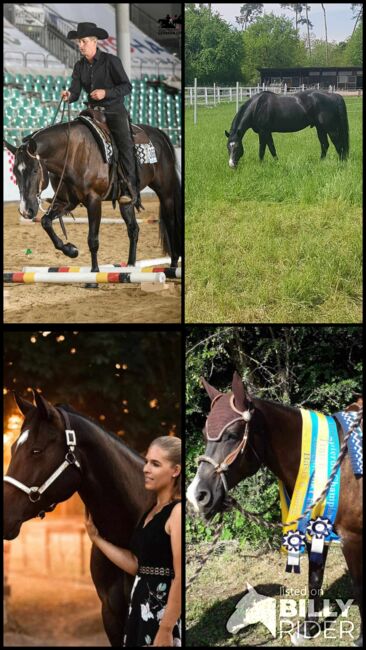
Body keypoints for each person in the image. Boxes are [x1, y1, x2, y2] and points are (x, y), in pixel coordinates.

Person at [85, 436, 182, 647]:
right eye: (146, 461)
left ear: (175, 470)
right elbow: (138, 566)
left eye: (155, 464)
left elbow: (180, 576)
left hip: (162, 614)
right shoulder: (150, 513)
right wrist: (96, 538)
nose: (146, 469)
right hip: (139, 610)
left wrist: (166, 628)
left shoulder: (177, 512)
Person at [61, 22, 139, 205]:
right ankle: (78, 188)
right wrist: (69, 95)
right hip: (92, 112)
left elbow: (127, 86)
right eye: (79, 42)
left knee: (125, 145)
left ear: (95, 42)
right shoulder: (79, 66)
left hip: (114, 111)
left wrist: (106, 93)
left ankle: (129, 188)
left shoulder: (111, 61)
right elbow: (75, 91)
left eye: (84, 41)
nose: (80, 45)